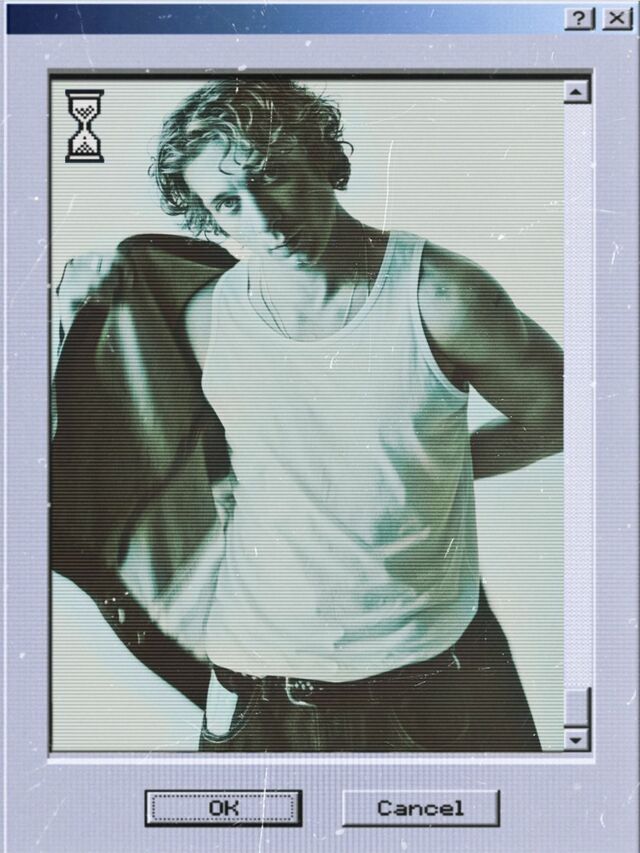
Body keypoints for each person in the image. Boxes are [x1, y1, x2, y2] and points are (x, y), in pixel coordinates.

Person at [59, 79, 563, 752]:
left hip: (433, 675)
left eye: (274, 176)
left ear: (324, 157)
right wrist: (75, 311)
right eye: (228, 202)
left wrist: (428, 468)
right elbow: (119, 432)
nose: (263, 221)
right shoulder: (204, 316)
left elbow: (564, 413)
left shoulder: (441, 296)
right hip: (252, 681)